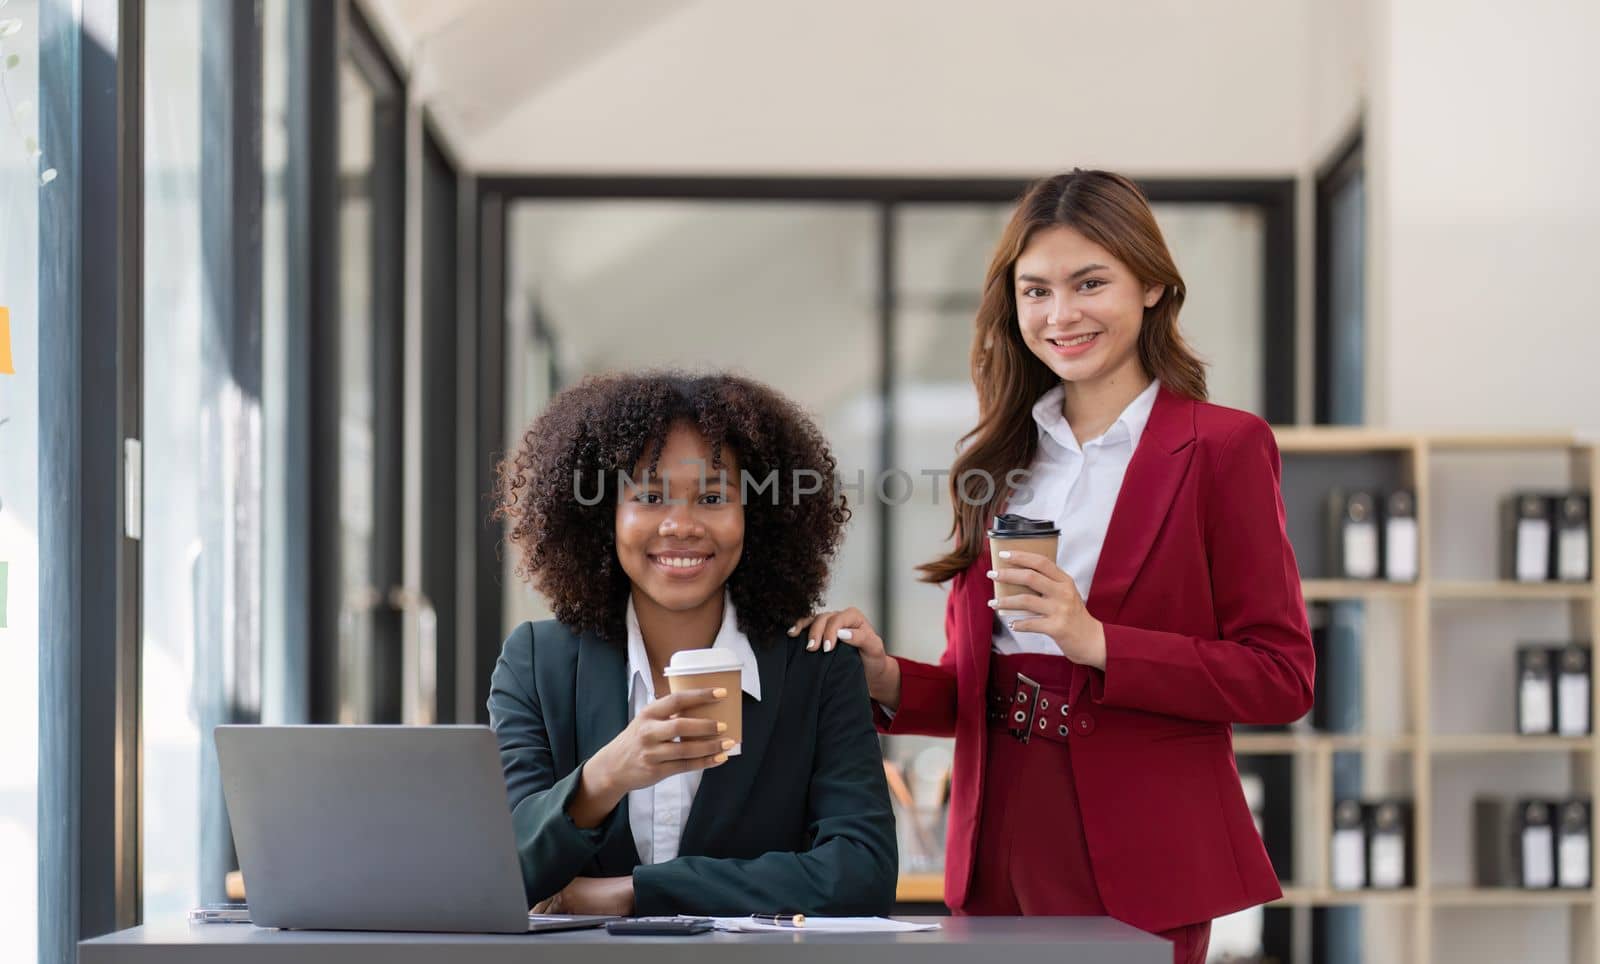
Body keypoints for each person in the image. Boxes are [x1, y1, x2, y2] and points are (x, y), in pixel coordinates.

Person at [795, 170, 1314, 964]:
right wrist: (886, 679)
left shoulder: (1223, 447)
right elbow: (983, 684)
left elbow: (1281, 677)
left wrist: (1098, 640)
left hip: (1142, 848)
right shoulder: (995, 462)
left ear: (1151, 287)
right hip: (996, 832)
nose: (1060, 314)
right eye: (1035, 290)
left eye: (1090, 283)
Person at [488, 370, 897, 916]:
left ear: (755, 516)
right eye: (650, 496)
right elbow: (499, 871)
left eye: (712, 497)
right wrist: (605, 776)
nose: (680, 525)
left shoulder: (818, 668)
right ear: (601, 514)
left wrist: (637, 892)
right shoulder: (537, 664)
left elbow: (861, 873)